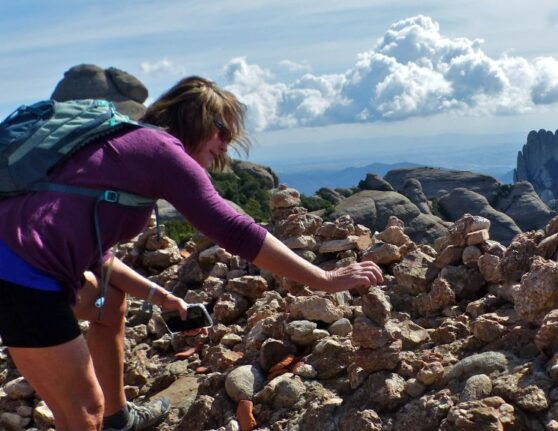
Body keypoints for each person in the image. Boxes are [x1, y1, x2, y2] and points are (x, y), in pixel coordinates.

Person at [0, 76, 383, 431]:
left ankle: (119, 419)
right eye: (221, 130)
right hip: (20, 276)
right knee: (83, 413)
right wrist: (323, 278)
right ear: (197, 120)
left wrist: (157, 294)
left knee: (108, 302)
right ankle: (104, 416)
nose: (224, 143)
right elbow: (232, 228)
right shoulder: (160, 150)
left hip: (23, 263)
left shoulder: (127, 147)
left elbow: (97, 256)